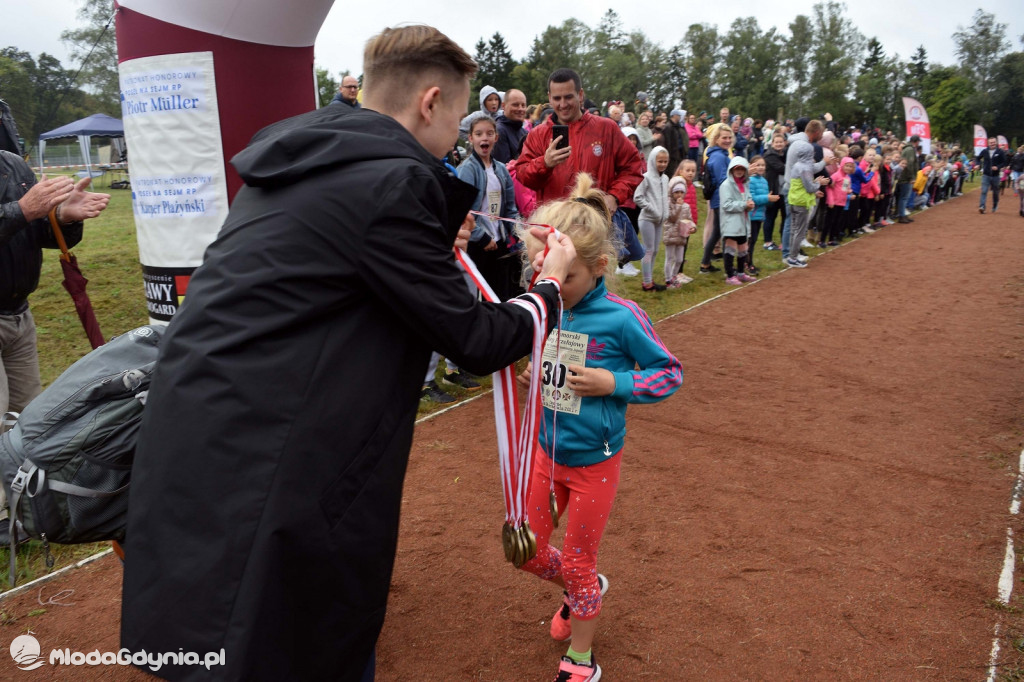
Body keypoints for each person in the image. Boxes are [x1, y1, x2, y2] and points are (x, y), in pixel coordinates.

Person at [120, 25, 577, 682]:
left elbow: (340, 271)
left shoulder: (307, 158)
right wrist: (551, 286)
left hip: (209, 450)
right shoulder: (389, 185)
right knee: (295, 649)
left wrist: (431, 243)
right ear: (430, 103)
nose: (458, 130)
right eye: (457, 112)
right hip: (275, 473)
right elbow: (479, 342)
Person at [516, 173, 682, 682]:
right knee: (524, 551)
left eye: (563, 276)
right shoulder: (544, 306)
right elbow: (546, 367)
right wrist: (534, 375)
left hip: (594, 465)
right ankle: (582, 587)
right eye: (541, 272)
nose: (549, 284)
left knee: (581, 564)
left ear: (599, 267)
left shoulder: (622, 317)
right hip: (545, 455)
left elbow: (668, 374)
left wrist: (614, 381)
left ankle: (581, 661)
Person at [1, 153, 110, 416]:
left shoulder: (12, 163)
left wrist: (62, 216)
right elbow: (22, 213)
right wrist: (23, 209)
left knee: (25, 420)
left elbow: (33, 229)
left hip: (19, 317)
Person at [517, 68, 644, 216]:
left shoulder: (606, 128)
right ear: (549, 98)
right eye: (557, 98)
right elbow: (522, 175)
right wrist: (544, 163)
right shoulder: (537, 134)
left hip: (596, 224)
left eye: (568, 97)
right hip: (556, 226)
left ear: (580, 95)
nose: (563, 104)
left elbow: (633, 166)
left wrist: (614, 196)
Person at [457, 111, 522, 301]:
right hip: (477, 244)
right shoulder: (467, 170)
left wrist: (520, 233)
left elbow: (510, 209)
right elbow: (462, 212)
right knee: (476, 296)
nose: (484, 138)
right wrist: (482, 237)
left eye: (489, 133)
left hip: (499, 243)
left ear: (496, 137)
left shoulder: (501, 170)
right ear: (470, 138)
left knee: (499, 294)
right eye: (478, 134)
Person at [785, 141, 829, 268]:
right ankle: (793, 258)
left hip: (794, 200)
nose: (814, 153)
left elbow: (812, 169)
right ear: (809, 153)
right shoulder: (805, 168)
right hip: (801, 202)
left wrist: (824, 163)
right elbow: (810, 187)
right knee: (799, 231)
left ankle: (791, 256)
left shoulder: (799, 164)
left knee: (794, 230)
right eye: (812, 151)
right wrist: (819, 183)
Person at [633, 146, 670, 292]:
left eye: (665, 161)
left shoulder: (666, 178)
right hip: (647, 219)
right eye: (659, 161)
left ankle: (650, 279)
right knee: (648, 250)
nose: (662, 164)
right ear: (653, 161)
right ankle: (647, 283)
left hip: (659, 220)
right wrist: (652, 208)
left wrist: (664, 213)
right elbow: (638, 197)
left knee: (655, 250)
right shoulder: (646, 177)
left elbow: (665, 197)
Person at [699, 125, 733, 275]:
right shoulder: (719, 156)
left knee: (718, 231)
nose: (727, 140)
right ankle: (727, 266)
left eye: (729, 137)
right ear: (716, 139)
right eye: (724, 137)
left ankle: (705, 263)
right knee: (722, 231)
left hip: (721, 198)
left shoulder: (721, 154)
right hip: (721, 198)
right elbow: (722, 180)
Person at [718, 156, 756, 285]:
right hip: (731, 222)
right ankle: (729, 275)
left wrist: (750, 204)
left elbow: (748, 197)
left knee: (743, 248)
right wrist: (744, 205)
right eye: (736, 169)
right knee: (730, 247)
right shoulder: (726, 185)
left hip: (743, 221)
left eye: (742, 169)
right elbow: (726, 205)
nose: (739, 171)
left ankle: (740, 272)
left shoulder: (745, 183)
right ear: (731, 170)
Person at [664, 176, 696, 288]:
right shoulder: (668, 204)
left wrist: (693, 227)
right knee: (669, 258)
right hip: (671, 235)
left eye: (681, 192)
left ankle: (674, 277)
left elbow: (690, 219)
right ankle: (668, 280)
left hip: (682, 236)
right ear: (671, 192)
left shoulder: (686, 206)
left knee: (679, 259)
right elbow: (672, 218)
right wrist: (678, 206)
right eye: (676, 192)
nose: (679, 195)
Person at [746, 155, 774, 275]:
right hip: (752, 215)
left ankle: (749, 262)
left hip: (759, 215)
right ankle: (747, 263)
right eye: (758, 165)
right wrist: (767, 197)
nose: (761, 167)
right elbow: (752, 199)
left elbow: (763, 199)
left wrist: (769, 199)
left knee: (754, 240)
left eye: (763, 165)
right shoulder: (751, 180)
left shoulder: (764, 181)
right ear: (752, 166)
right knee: (750, 241)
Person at [493, 88, 528, 163]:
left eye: (523, 105)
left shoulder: (524, 132)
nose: (520, 109)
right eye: (515, 105)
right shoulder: (499, 131)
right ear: (503, 106)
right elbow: (503, 167)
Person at [976, 136, 1008, 214]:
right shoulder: (985, 151)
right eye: (991, 143)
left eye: (993, 142)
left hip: (995, 176)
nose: (992, 144)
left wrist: (998, 167)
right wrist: (978, 164)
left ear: (996, 143)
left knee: (995, 192)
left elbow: (1004, 162)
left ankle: (995, 205)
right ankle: (982, 206)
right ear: (988, 143)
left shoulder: (1000, 152)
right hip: (986, 174)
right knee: (984, 191)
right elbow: (977, 158)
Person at [896, 135, 920, 223]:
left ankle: (903, 214)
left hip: (905, 176)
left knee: (904, 197)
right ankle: (901, 215)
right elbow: (909, 164)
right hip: (906, 177)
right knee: (904, 197)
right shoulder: (910, 149)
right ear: (916, 141)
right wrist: (912, 177)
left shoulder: (908, 149)